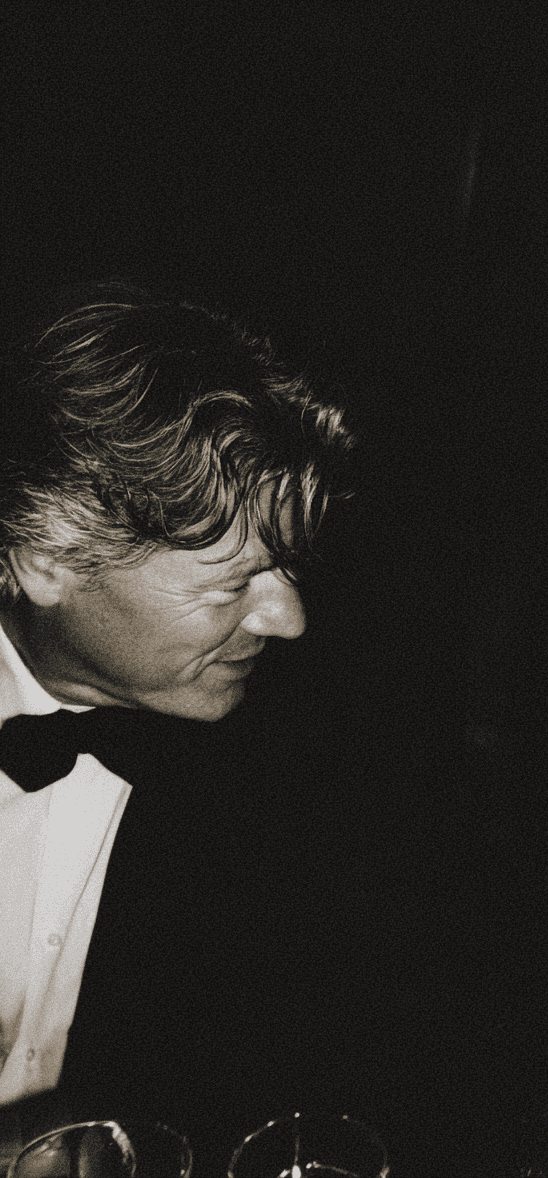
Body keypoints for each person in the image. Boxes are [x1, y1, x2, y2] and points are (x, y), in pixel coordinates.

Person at [0, 281, 352, 1161]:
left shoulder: (278, 771)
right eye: (234, 581)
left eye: (288, 567)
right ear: (45, 558)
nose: (288, 619)